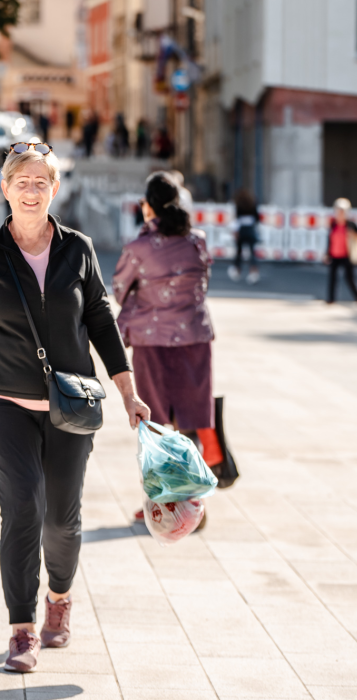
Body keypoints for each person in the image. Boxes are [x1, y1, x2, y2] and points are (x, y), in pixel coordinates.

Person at [0, 142, 150, 673]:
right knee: (22, 509)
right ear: (5, 189)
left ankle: (59, 600)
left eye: (42, 181)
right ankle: (21, 630)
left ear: (55, 188)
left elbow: (103, 322)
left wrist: (128, 391)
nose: (32, 190)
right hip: (1, 402)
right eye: (22, 181)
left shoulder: (78, 249)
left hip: (69, 405)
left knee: (61, 518)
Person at [111, 171, 222, 524]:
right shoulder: (198, 241)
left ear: (148, 207)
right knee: (189, 422)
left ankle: (163, 508)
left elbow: (118, 289)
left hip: (152, 342)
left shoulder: (138, 249)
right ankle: (195, 509)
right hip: (194, 340)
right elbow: (202, 283)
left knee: (156, 424)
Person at [325, 198, 357, 304]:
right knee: (332, 278)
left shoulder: (351, 225)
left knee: (349, 278)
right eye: (338, 211)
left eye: (342, 211)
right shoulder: (333, 224)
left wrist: (353, 234)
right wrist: (327, 253)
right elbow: (330, 239)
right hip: (334, 254)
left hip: (347, 255)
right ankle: (331, 299)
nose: (340, 214)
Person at [228, 189, 260, 284]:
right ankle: (253, 272)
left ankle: (237, 270)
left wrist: (235, 232)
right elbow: (257, 218)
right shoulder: (253, 204)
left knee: (239, 251)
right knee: (252, 252)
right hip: (250, 229)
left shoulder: (239, 205)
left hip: (242, 229)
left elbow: (237, 219)